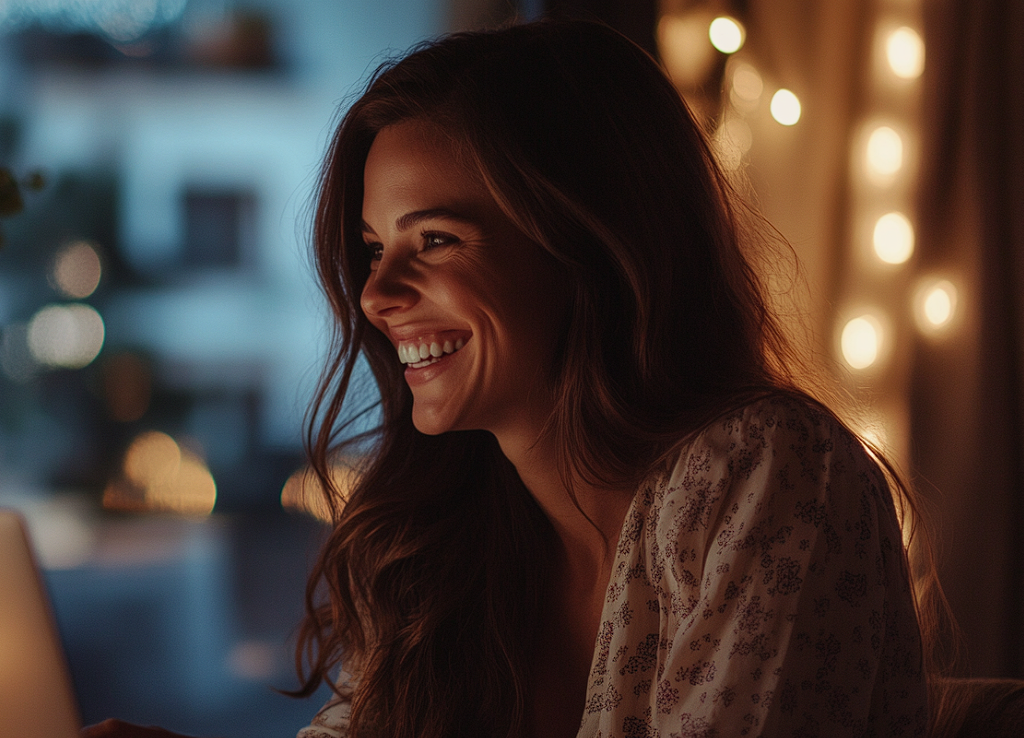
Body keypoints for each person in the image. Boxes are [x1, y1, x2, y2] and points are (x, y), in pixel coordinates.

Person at [84, 19, 933, 738]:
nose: (377, 296)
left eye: (438, 241)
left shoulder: (762, 471)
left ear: (594, 248)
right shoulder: (448, 543)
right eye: (376, 250)